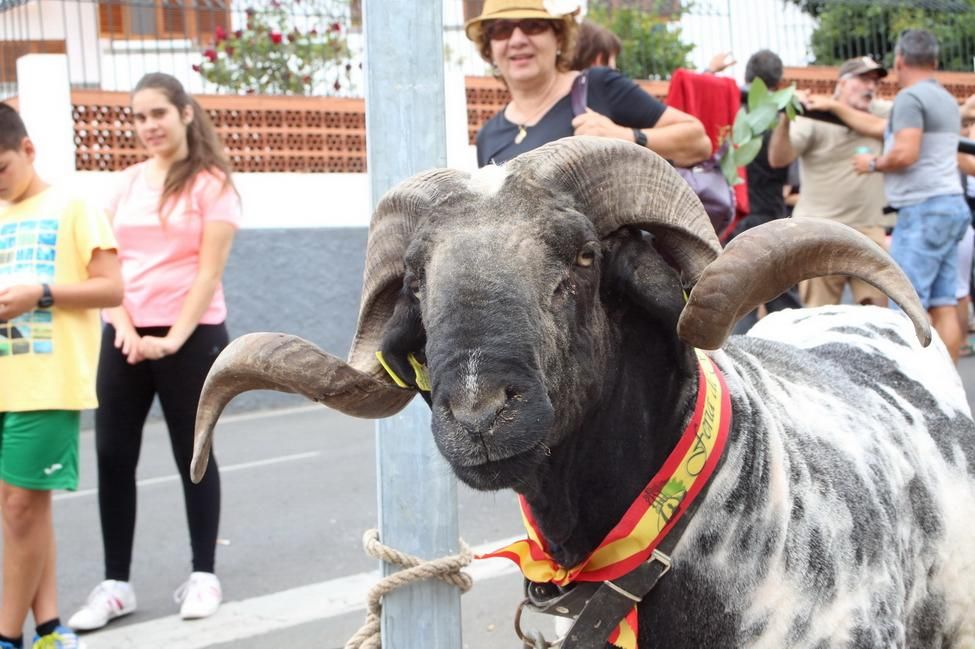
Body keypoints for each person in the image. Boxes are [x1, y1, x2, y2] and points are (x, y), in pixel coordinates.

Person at [68, 73, 241, 631]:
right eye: (138, 117)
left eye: (158, 114)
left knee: (193, 455)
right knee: (113, 457)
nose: (148, 126)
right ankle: (116, 584)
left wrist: (172, 337)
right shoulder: (121, 186)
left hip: (193, 333)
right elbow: (104, 267)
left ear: (185, 113)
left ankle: (203, 574)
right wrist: (121, 324)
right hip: (124, 332)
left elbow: (208, 271)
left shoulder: (212, 185)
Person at [0, 104, 122, 649]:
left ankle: (8, 635)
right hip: (5, 378)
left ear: (27, 150)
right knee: (19, 507)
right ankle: (49, 626)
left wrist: (40, 294)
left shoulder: (73, 205)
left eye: (0, 167)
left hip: (48, 383)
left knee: (24, 504)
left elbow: (111, 288)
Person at [467, 0, 710, 167]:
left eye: (533, 25)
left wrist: (624, 137)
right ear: (489, 48)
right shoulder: (488, 136)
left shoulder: (598, 87)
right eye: (501, 30)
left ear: (559, 37)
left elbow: (699, 141)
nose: (517, 40)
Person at [851, 30, 969, 361]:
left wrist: (872, 163)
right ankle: (951, 385)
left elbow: (905, 153)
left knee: (907, 307)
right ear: (934, 61)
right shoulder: (946, 99)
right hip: (950, 205)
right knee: (944, 302)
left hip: (923, 211)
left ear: (900, 59)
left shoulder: (909, 98)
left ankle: (916, 386)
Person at [767, 56, 893, 308]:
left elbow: (892, 128)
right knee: (819, 317)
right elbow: (778, 159)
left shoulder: (879, 112)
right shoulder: (814, 116)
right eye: (863, 79)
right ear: (842, 83)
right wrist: (786, 118)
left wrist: (834, 108)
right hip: (821, 230)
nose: (871, 87)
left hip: (868, 231)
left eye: (875, 82)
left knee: (879, 315)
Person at [731, 49, 802, 333]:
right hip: (775, 220)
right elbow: (789, 176)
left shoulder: (732, 114)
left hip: (737, 220)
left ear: (748, 77)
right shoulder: (782, 119)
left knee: (737, 304)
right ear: (779, 84)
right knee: (785, 309)